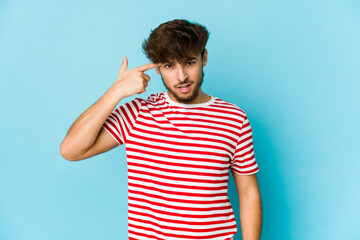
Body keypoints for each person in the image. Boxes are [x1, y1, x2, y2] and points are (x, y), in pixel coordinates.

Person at [60, 19, 262, 240]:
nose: (181, 76)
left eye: (189, 62)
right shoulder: (137, 114)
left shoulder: (234, 118)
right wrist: (115, 92)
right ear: (157, 68)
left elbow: (248, 192)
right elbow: (71, 150)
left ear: (204, 58)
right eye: (169, 65)